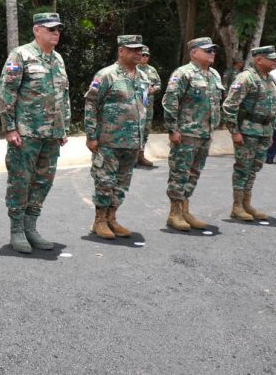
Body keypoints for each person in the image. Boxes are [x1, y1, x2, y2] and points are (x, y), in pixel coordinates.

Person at [0, 13, 70, 253]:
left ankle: (31, 226)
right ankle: (16, 229)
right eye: (50, 29)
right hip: (26, 133)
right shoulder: (21, 55)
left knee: (43, 182)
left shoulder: (57, 59)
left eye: (58, 29)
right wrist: (9, 127)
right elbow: (7, 91)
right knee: (20, 181)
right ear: (37, 30)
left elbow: (64, 95)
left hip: (52, 134)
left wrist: (64, 126)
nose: (56, 33)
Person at [84, 35, 149, 239]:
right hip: (108, 140)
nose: (138, 53)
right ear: (121, 51)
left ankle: (112, 218)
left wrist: (141, 139)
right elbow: (91, 104)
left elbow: (143, 108)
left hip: (131, 142)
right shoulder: (106, 75)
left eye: (140, 50)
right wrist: (91, 135)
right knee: (104, 182)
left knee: (122, 184)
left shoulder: (143, 78)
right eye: (133, 50)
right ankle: (99, 221)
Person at [161, 37, 224, 231]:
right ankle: (174, 213)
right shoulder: (183, 73)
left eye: (213, 50)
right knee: (180, 173)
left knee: (194, 173)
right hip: (186, 133)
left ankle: (185, 210)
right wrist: (173, 129)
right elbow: (170, 101)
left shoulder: (214, 74)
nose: (212, 53)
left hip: (205, 133)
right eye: (207, 50)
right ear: (194, 52)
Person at [222, 45, 276, 221]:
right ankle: (237, 206)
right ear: (259, 60)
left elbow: (273, 109)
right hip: (247, 130)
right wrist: (234, 131)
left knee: (254, 168)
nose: (275, 60)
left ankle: (247, 203)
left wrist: (270, 133)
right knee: (242, 168)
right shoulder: (246, 78)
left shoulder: (270, 80)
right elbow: (230, 106)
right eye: (271, 58)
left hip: (263, 131)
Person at [136, 45, 161, 168]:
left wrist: (153, 89)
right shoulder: (132, 69)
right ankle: (131, 158)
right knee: (134, 130)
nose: (144, 57)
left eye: (147, 55)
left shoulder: (152, 70)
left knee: (145, 130)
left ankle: (141, 156)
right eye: (142, 55)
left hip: (148, 105)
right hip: (135, 106)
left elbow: (158, 84)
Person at [265, 62, 276, 164]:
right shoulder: (274, 73)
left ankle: (269, 157)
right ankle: (269, 156)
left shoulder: (273, 73)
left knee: (274, 132)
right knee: (274, 132)